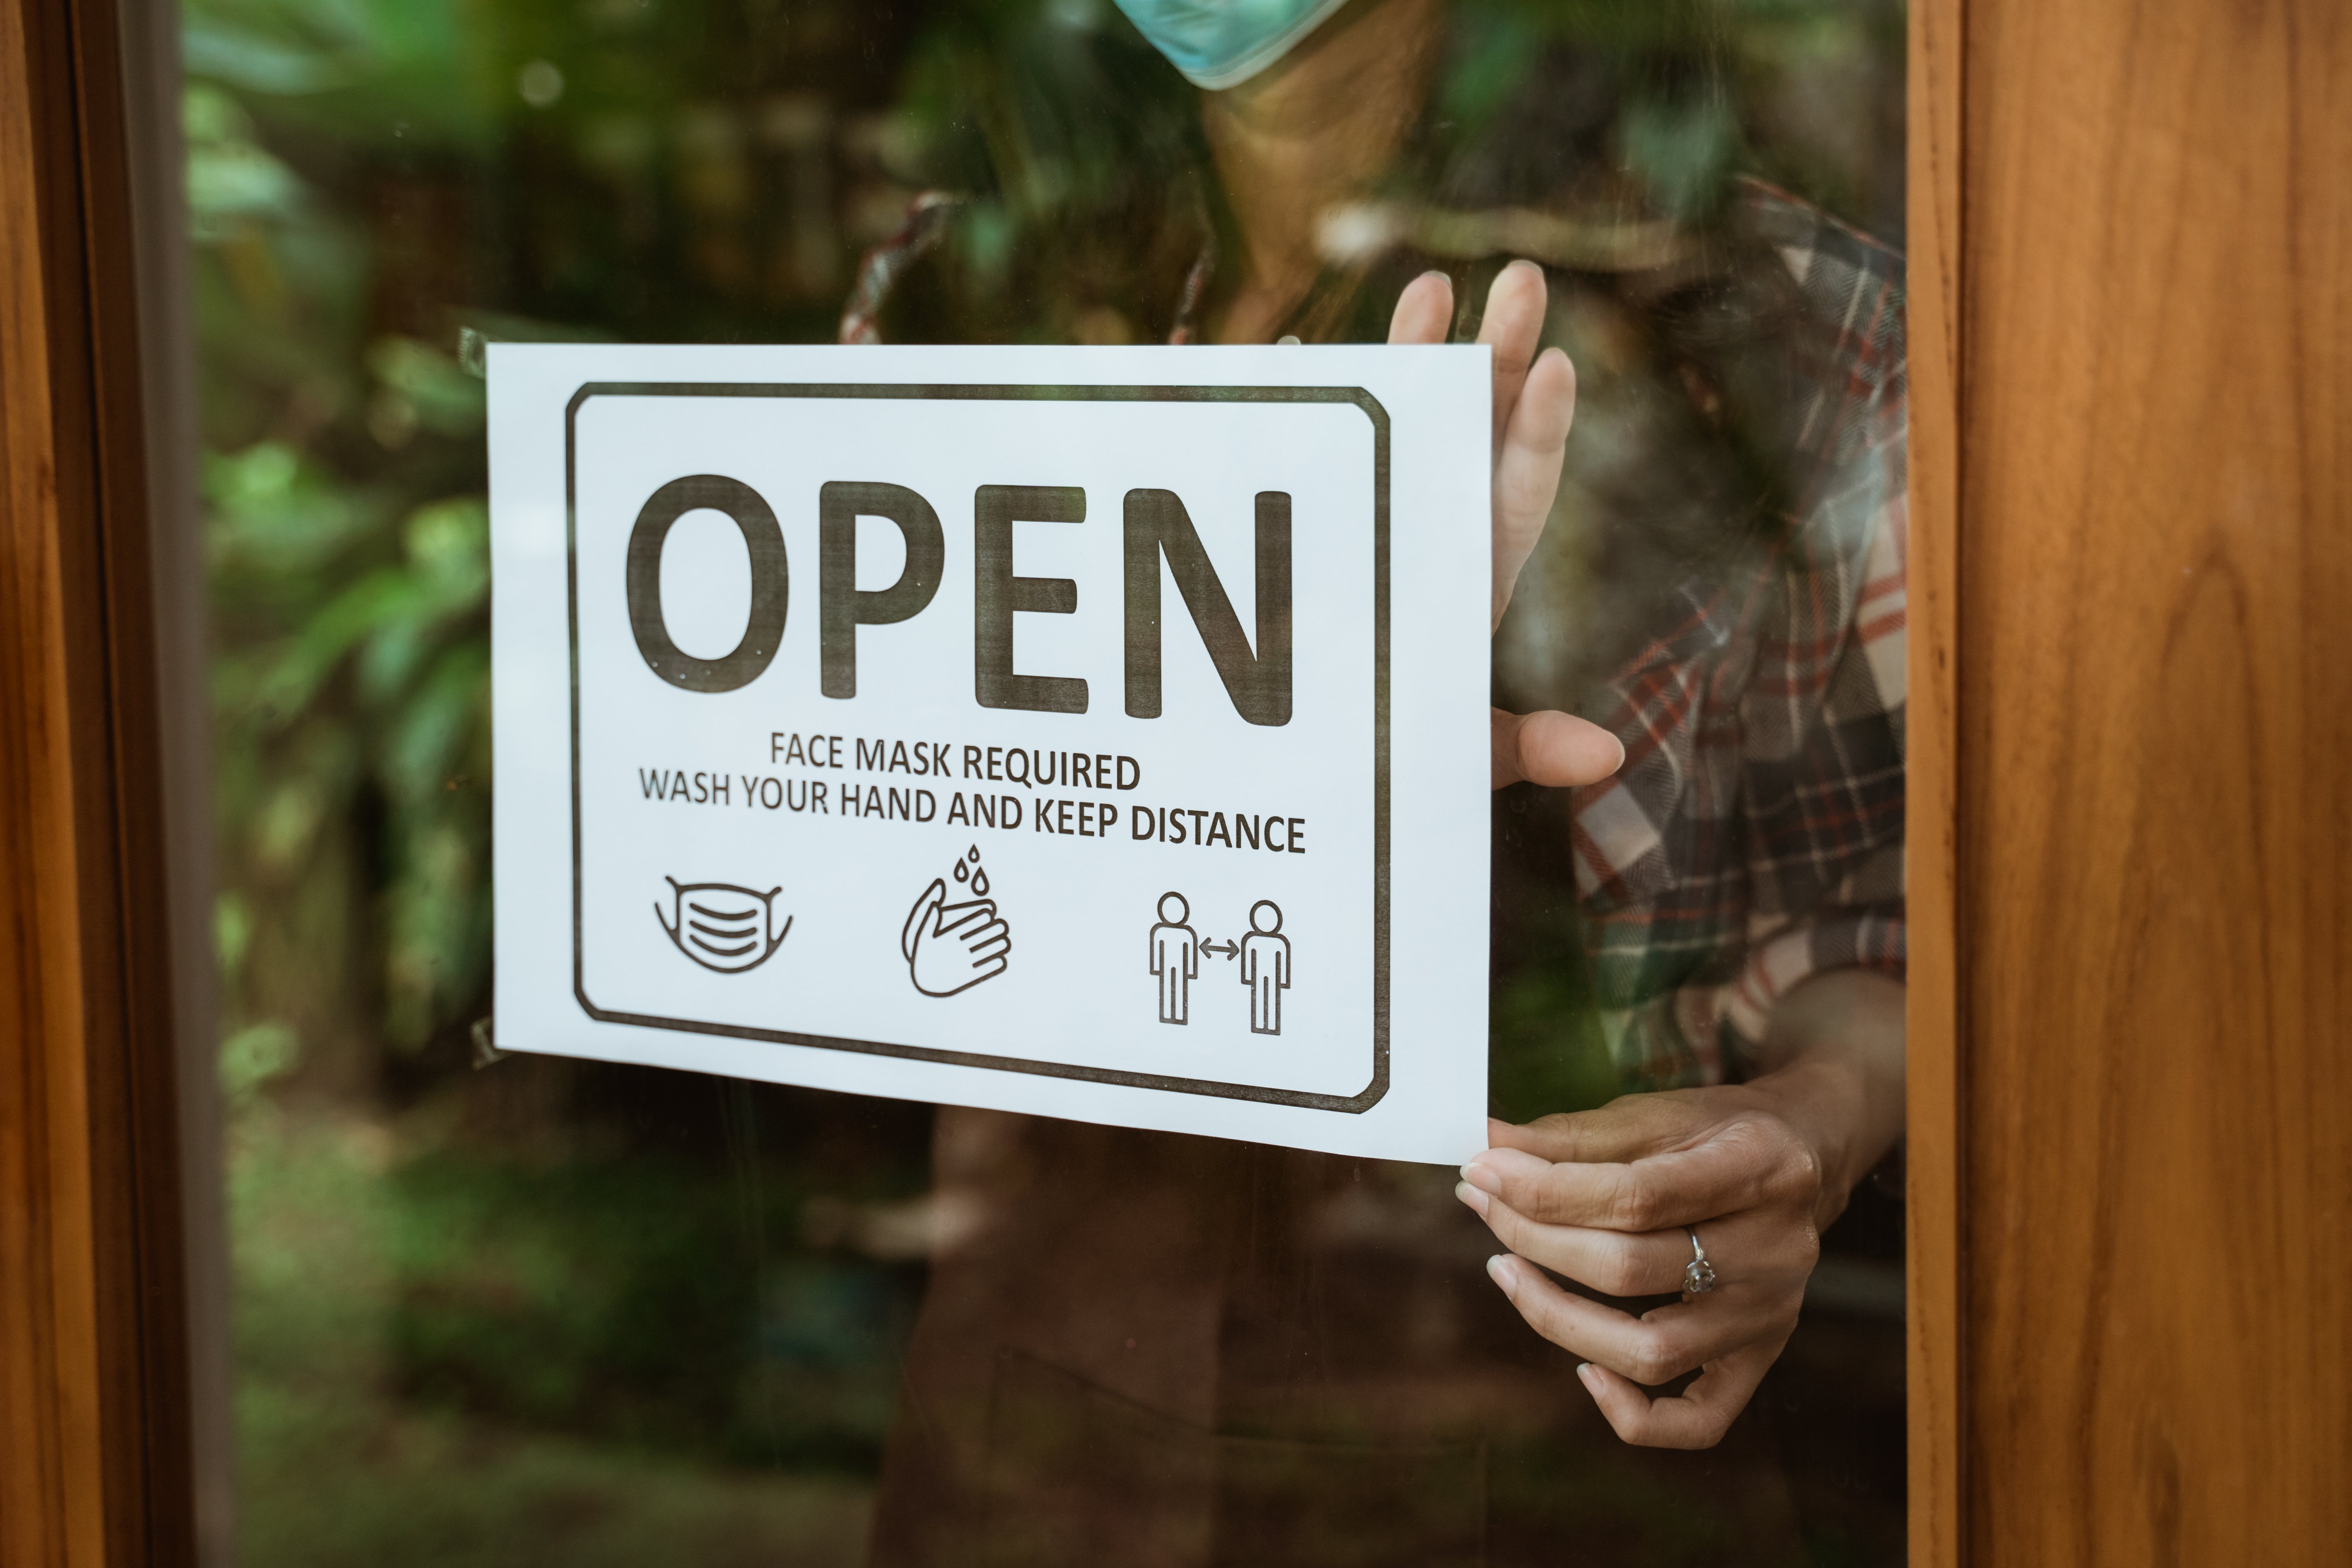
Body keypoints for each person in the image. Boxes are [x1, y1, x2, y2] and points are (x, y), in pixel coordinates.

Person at [847, 0, 1907, 1558]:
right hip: (1034, 1406)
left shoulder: (1789, 328)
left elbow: (1890, 920)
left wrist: (1802, 1129)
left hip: (1549, 1430)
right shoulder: (957, 296)